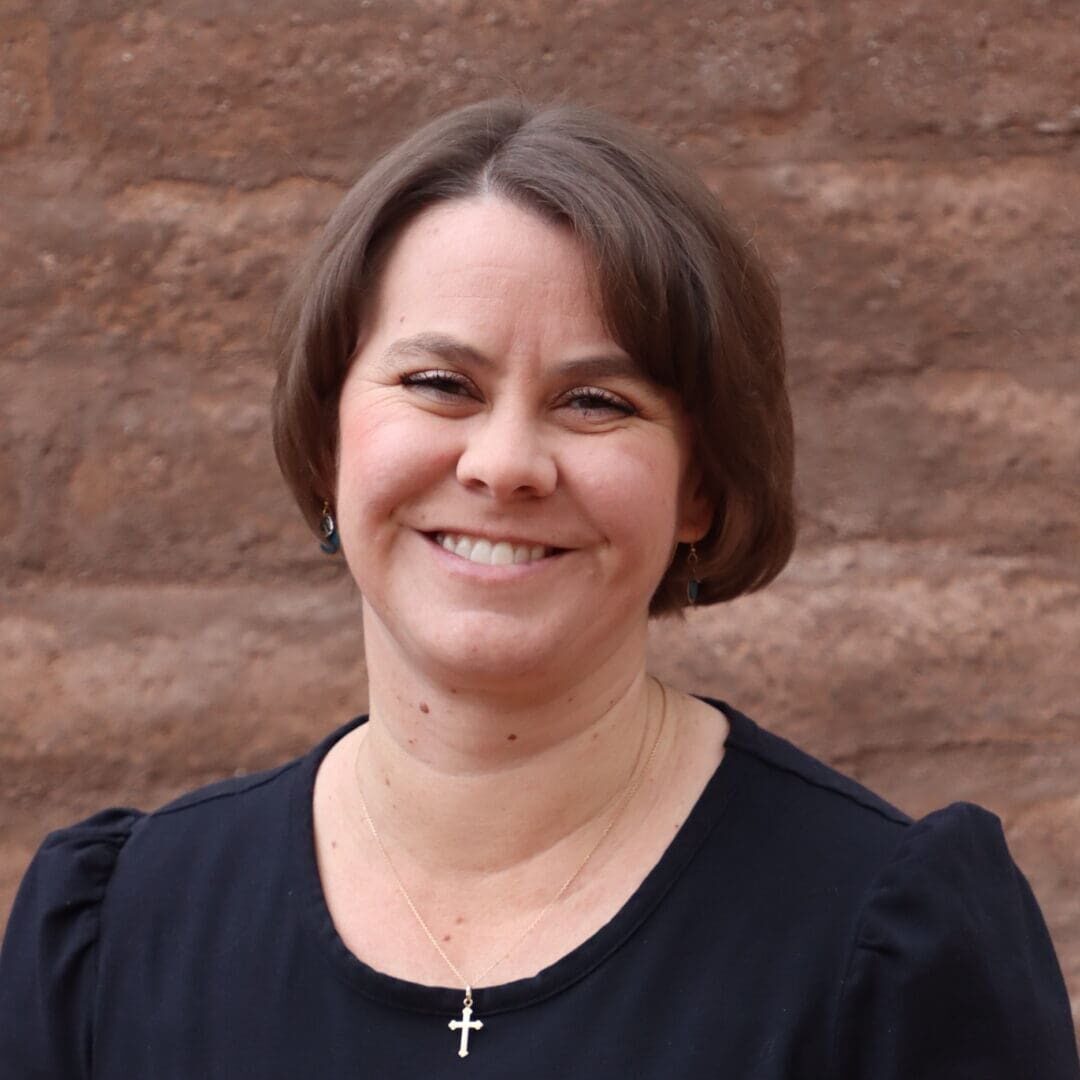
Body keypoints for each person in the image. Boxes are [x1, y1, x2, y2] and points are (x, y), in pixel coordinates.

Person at [1, 98, 1076, 1079]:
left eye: (596, 402)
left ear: (698, 489)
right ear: (330, 442)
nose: (505, 463)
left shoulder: (888, 946)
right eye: (439, 385)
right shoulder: (117, 932)